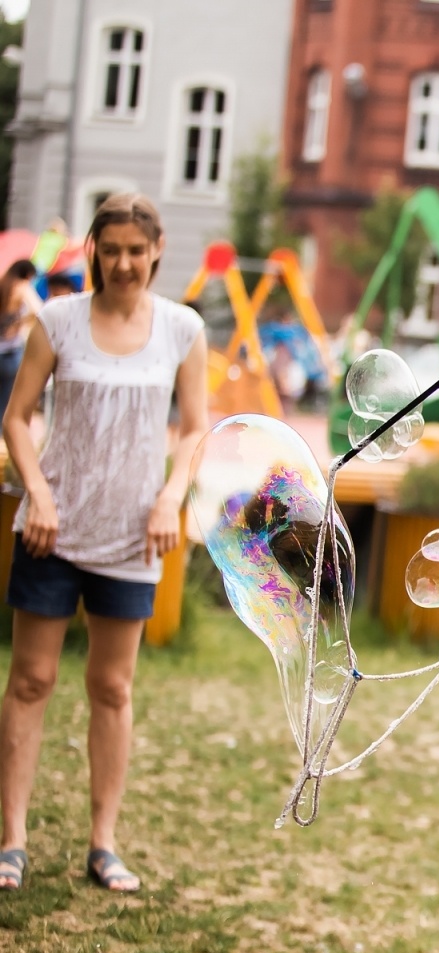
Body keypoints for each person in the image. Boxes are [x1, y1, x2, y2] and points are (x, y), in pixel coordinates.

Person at [0, 194, 208, 894]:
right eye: (110, 249)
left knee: (112, 688)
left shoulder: (182, 329)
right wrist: (41, 492)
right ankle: (13, 839)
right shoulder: (56, 321)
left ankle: (103, 843)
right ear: (93, 249)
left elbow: (195, 428)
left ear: (157, 251)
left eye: (135, 250)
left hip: (133, 534)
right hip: (51, 529)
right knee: (30, 681)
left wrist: (171, 497)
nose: (123, 263)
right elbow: (18, 417)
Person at [0, 260, 41, 420]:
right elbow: (38, 310)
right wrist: (21, 322)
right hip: (11, 353)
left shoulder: (3, 284)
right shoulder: (23, 288)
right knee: (7, 402)